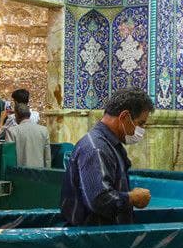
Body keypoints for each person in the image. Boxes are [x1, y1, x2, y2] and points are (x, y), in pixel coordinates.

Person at [60, 89, 154, 226]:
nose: (141, 130)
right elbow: (99, 200)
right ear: (124, 117)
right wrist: (132, 198)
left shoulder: (111, 145)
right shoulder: (96, 149)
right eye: (140, 123)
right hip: (95, 236)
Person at [4, 104, 51, 168]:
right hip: (39, 172)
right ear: (29, 114)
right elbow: (47, 158)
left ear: (16, 115)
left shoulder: (11, 131)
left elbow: (9, 157)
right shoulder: (44, 130)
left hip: (20, 172)